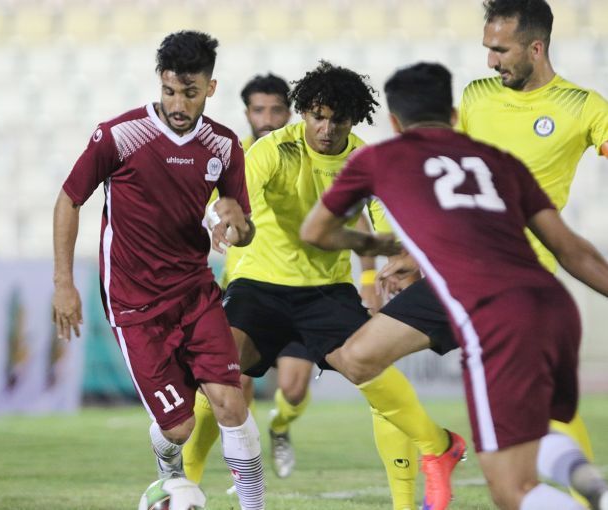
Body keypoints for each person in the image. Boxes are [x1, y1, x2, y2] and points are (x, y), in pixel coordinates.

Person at [334, 1, 608, 507]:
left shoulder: (583, 106)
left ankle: (584, 494)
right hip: (453, 276)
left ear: (536, 47)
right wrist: (416, 254)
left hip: (519, 282)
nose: (490, 61)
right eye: (487, 48)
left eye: (500, 50)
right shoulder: (476, 97)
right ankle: (438, 447)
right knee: (357, 357)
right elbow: (448, 182)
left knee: (541, 424)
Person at [209, 60, 460, 510]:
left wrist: (399, 258)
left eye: (337, 120)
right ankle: (183, 485)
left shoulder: (365, 160)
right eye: (317, 117)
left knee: (367, 371)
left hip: (325, 289)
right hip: (259, 284)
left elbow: (388, 219)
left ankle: (430, 459)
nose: (326, 129)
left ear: (354, 119)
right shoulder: (272, 150)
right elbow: (234, 198)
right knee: (217, 372)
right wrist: (224, 219)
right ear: (303, 112)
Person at [51, 31, 265, 510]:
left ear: (210, 88)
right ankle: (169, 470)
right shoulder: (119, 136)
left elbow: (241, 229)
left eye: (190, 92)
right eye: (169, 90)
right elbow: (69, 199)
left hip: (196, 292)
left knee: (232, 404)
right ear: (160, 83)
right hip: (135, 303)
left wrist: (238, 226)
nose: (178, 103)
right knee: (179, 427)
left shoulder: (224, 146)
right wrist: (63, 282)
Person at [183, 72, 384, 482]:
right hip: (254, 286)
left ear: (291, 112)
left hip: (314, 290)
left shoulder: (321, 153)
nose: (268, 118)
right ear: (247, 113)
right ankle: (213, 476)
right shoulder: (243, 155)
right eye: (260, 110)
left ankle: (278, 426)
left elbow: (363, 218)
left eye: (276, 110)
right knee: (226, 379)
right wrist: (216, 229)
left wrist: (369, 280)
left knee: (293, 388)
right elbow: (211, 209)